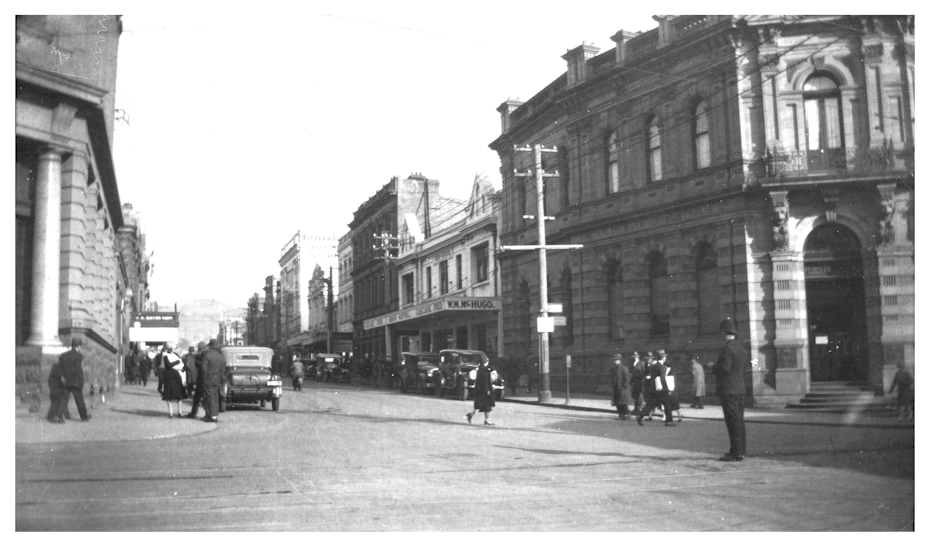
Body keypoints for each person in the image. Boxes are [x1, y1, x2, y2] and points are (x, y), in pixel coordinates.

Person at [713, 318, 748, 462]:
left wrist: (712, 367)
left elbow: (724, 369)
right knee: (739, 421)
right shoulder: (741, 348)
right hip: (740, 389)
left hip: (728, 390)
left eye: (721, 333)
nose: (720, 336)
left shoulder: (727, 348)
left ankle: (735, 452)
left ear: (725, 333)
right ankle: (741, 451)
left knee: (732, 422)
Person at [637, 349, 674, 427]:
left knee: (650, 404)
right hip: (661, 390)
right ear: (663, 358)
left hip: (653, 389)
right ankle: (669, 421)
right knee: (667, 404)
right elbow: (662, 379)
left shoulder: (654, 366)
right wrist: (666, 388)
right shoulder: (662, 367)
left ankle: (640, 416)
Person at [59, 338, 91, 422]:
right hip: (75, 382)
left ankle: (58, 416)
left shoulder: (63, 355)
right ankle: (84, 417)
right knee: (80, 400)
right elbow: (75, 369)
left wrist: (64, 377)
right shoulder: (79, 356)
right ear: (78, 346)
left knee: (64, 400)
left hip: (66, 382)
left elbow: (61, 369)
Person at [465, 355, 496, 425]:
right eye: (487, 361)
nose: (488, 362)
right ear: (485, 362)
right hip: (484, 391)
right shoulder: (484, 371)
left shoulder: (480, 369)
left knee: (481, 405)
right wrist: (487, 390)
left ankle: (472, 415)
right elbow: (485, 382)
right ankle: (487, 420)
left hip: (480, 390)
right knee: (486, 405)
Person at [201, 339, 226, 423]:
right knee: (215, 396)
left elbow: (203, 369)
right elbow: (222, 370)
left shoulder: (207, 355)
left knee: (209, 397)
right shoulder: (221, 356)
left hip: (208, 379)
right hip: (217, 378)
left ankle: (212, 416)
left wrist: (204, 379)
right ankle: (214, 414)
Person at [161, 343, 187, 418]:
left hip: (177, 375)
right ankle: (171, 412)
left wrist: (182, 367)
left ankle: (180, 412)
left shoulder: (176, 354)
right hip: (169, 376)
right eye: (172, 348)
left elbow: (183, 361)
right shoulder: (165, 355)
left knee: (179, 394)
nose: (174, 349)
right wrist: (177, 362)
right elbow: (168, 365)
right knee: (169, 395)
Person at [186, 342, 208, 419]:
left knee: (199, 398)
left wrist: (197, 363)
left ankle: (194, 413)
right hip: (203, 379)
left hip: (202, 379)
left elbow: (202, 365)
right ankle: (198, 413)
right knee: (200, 398)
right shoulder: (204, 355)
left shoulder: (203, 356)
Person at [610, 353, 634, 420]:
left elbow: (627, 378)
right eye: (614, 360)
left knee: (623, 403)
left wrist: (624, 386)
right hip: (616, 388)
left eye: (616, 360)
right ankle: (621, 415)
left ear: (619, 360)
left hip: (623, 389)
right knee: (617, 403)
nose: (615, 361)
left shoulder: (624, 368)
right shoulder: (614, 368)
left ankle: (627, 414)